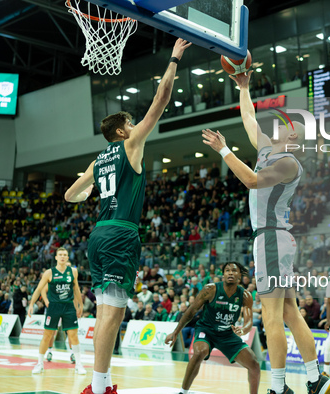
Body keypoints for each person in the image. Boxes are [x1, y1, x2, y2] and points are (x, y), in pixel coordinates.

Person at [64, 38, 191, 394]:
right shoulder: (130, 146)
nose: (137, 126)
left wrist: (89, 191)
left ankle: (99, 383)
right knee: (113, 314)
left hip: (98, 235)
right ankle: (98, 384)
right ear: (122, 132)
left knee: (105, 312)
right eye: (132, 123)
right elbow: (161, 100)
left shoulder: (97, 159)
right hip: (120, 234)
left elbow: (70, 194)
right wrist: (174, 59)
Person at [203, 70, 330, 394]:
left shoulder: (288, 162)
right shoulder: (266, 150)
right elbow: (249, 118)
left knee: (272, 316)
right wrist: (244, 87)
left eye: (289, 128)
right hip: (274, 239)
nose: (282, 127)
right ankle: (316, 379)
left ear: (293, 139)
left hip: (272, 239)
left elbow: (250, 180)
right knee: (289, 310)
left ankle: (278, 388)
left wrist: (223, 150)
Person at [165, 262, 260, 394]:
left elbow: (249, 322)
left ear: (239, 275)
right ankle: (183, 391)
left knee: (254, 364)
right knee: (199, 352)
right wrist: (176, 332)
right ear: (223, 275)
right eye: (227, 270)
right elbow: (191, 311)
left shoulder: (245, 296)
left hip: (227, 334)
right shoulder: (210, 289)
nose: (230, 273)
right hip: (206, 330)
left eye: (234, 271)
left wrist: (244, 330)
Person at [27, 248, 85, 375]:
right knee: (47, 335)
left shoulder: (73, 272)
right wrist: (31, 304)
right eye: (60, 255)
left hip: (69, 306)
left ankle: (79, 365)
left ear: (68, 257)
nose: (63, 257)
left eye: (65, 255)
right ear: (56, 257)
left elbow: (76, 289)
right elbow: (38, 289)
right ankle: (39, 363)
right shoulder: (49, 273)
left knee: (73, 335)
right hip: (54, 307)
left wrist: (80, 305)